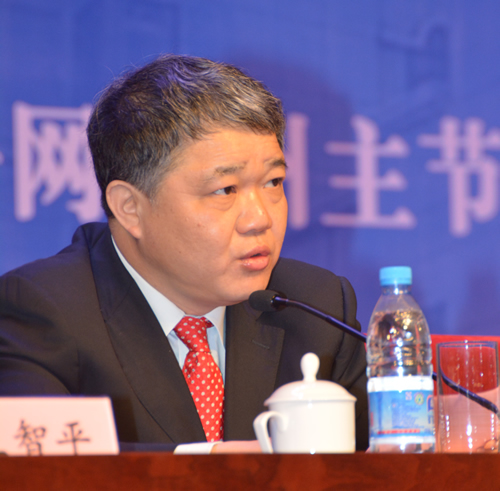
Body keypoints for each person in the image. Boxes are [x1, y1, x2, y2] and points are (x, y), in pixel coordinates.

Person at [0, 54, 368, 452]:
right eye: (225, 190)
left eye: (273, 182)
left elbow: (389, 458)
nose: (260, 218)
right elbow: (32, 461)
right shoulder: (42, 311)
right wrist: (225, 464)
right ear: (130, 208)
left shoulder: (317, 308)